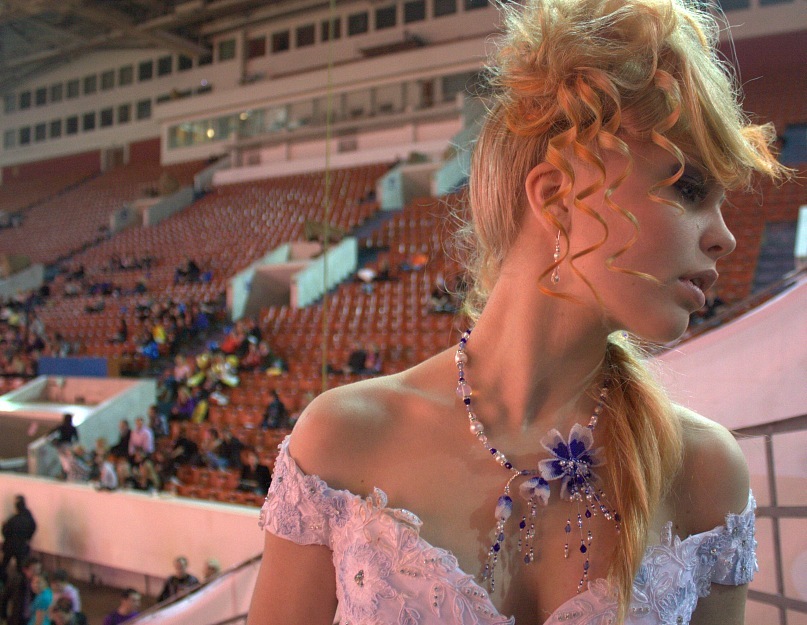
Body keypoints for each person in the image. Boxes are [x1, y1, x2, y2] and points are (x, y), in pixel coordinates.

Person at [247, 1, 785, 624]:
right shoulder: (343, 439)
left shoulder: (705, 472)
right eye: (689, 189)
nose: (726, 237)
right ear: (556, 197)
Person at [1, 495, 37, 584]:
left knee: (4, 566)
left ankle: (4, 582)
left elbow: (5, 532)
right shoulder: (29, 518)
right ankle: (21, 584)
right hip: (22, 546)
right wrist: (28, 538)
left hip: (10, 546)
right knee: (21, 568)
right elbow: (33, 527)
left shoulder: (13, 519)